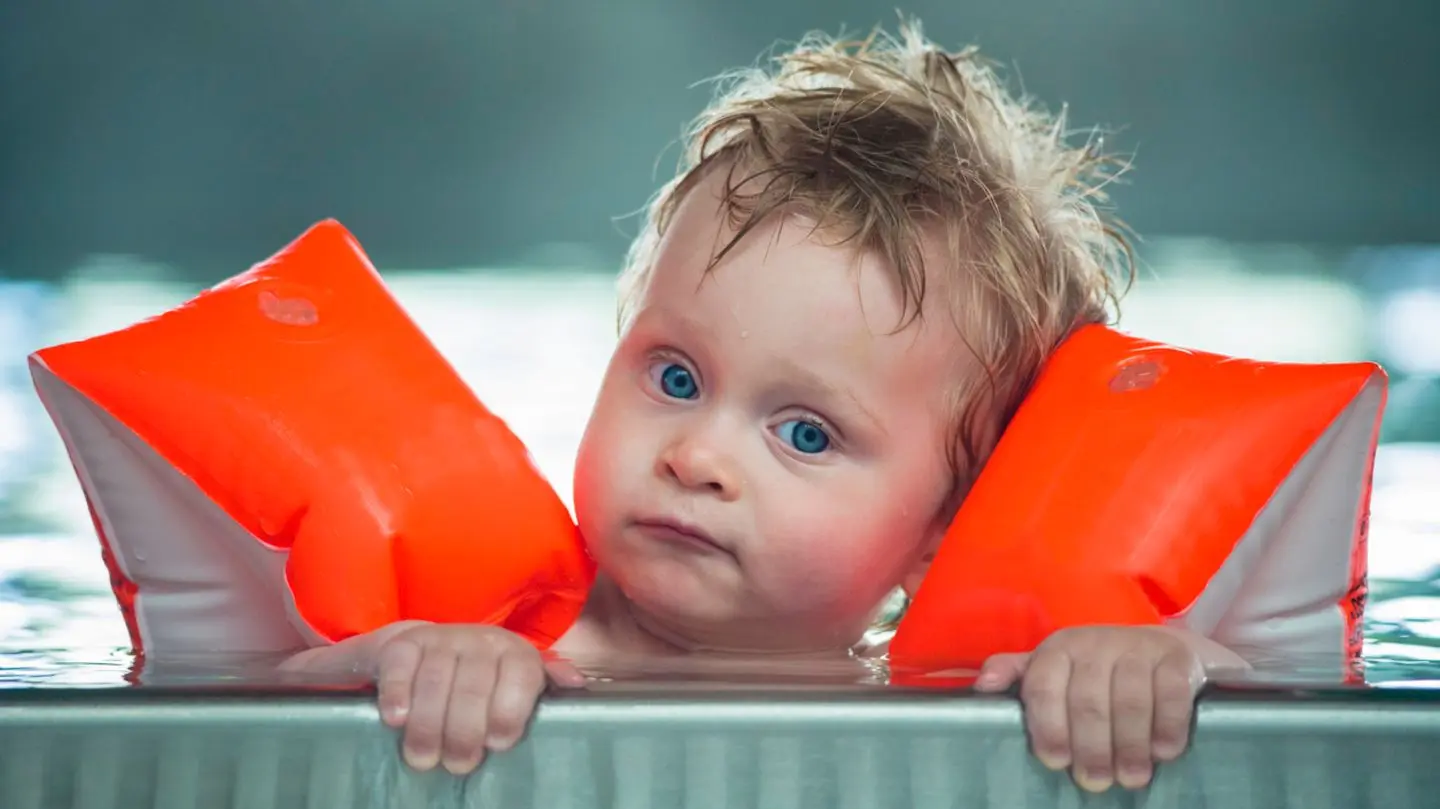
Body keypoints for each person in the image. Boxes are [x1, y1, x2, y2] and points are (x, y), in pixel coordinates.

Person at [280, 19, 1248, 794]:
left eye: (805, 432)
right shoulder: (508, 637)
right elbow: (253, 712)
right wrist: (400, 667)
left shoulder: (964, 686)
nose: (697, 454)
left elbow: (1254, 712)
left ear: (947, 526)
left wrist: (1149, 668)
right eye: (674, 377)